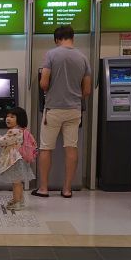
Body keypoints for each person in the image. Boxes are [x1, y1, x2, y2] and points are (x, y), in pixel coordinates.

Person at [34, 24, 91, 198]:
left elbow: (44, 83)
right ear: (72, 38)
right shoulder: (83, 58)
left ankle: (43, 188)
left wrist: (51, 88)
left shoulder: (51, 54)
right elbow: (87, 90)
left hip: (53, 109)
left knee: (46, 148)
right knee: (71, 148)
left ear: (57, 39)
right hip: (74, 110)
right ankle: (67, 189)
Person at [0, 106, 34, 212]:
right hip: (19, 160)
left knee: (16, 183)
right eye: (7, 116)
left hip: (14, 160)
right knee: (18, 182)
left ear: (19, 119)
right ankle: (19, 199)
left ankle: (17, 202)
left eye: (12, 117)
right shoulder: (22, 131)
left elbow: (3, 141)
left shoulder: (14, 131)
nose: (8, 118)